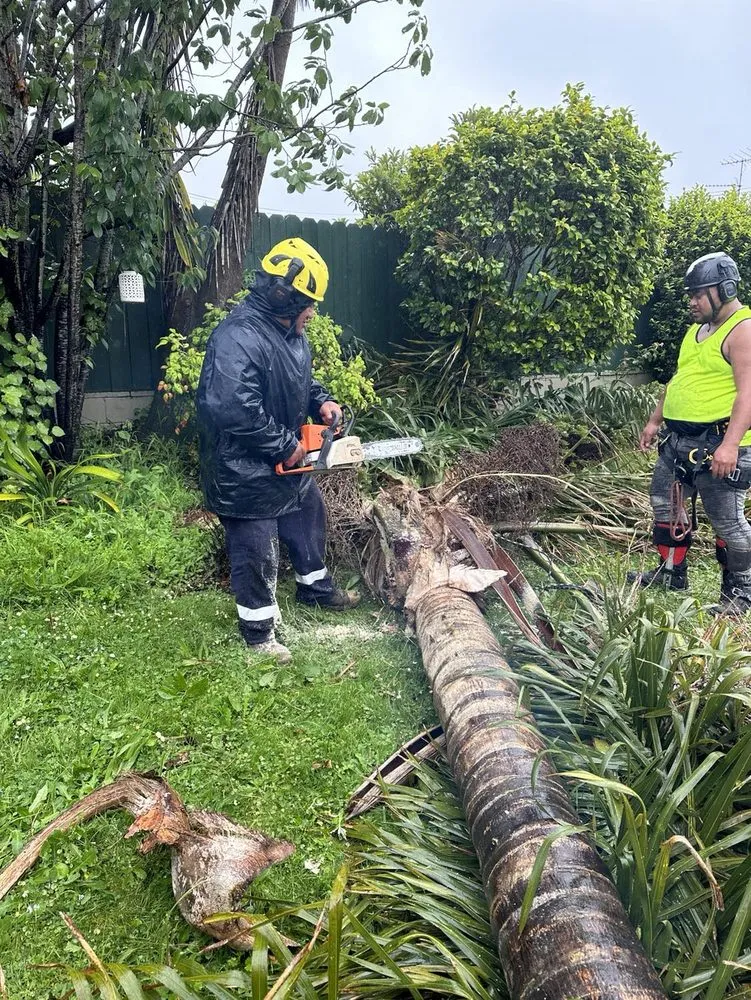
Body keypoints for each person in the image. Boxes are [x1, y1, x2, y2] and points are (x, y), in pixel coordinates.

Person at [196, 237, 360, 663]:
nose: (313, 313)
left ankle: (314, 588)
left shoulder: (288, 332)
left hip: (283, 462)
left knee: (308, 514)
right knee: (256, 549)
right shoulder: (239, 336)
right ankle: (258, 634)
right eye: (310, 304)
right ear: (286, 297)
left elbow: (297, 379)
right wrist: (284, 445)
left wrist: (321, 400)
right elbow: (231, 405)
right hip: (243, 469)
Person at [636, 251, 751, 613]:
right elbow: (679, 379)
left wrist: (730, 445)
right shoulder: (695, 332)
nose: (692, 301)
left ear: (725, 289)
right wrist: (655, 420)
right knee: (664, 503)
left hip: (719, 444)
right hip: (678, 442)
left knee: (727, 520)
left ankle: (740, 592)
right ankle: (671, 573)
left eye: (699, 294)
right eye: (690, 294)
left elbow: (748, 392)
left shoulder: (743, 330)